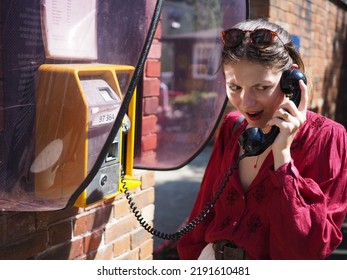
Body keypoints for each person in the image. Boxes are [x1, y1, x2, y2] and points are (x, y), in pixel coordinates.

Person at [177, 19, 347, 260]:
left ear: (293, 79)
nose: (247, 103)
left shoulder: (328, 138)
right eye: (234, 87)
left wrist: (283, 157)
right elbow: (202, 215)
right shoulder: (233, 127)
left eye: (262, 87)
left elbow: (308, 249)